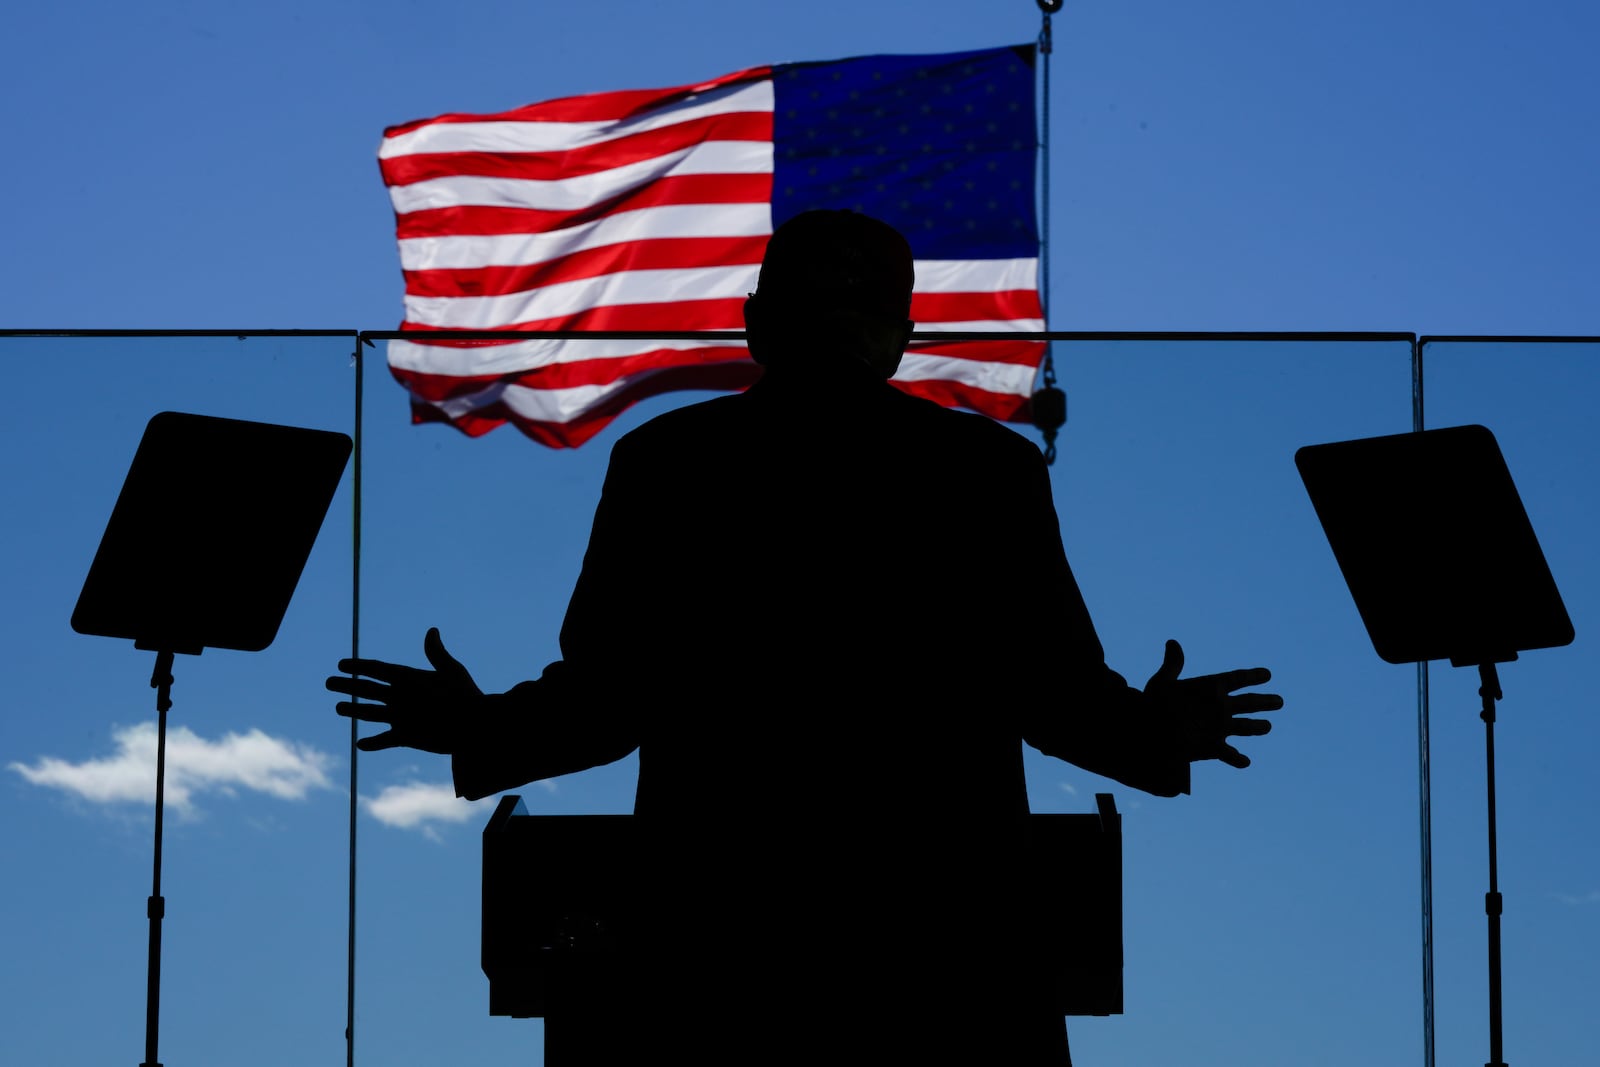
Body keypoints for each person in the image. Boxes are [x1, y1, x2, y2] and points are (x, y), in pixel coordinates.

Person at [329, 209, 1282, 1064]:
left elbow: (610, 699)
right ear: (901, 339)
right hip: (947, 946)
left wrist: (476, 727)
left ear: (753, 325)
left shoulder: (670, 464)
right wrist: (1155, 735)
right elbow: (1050, 691)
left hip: (726, 942)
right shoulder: (984, 470)